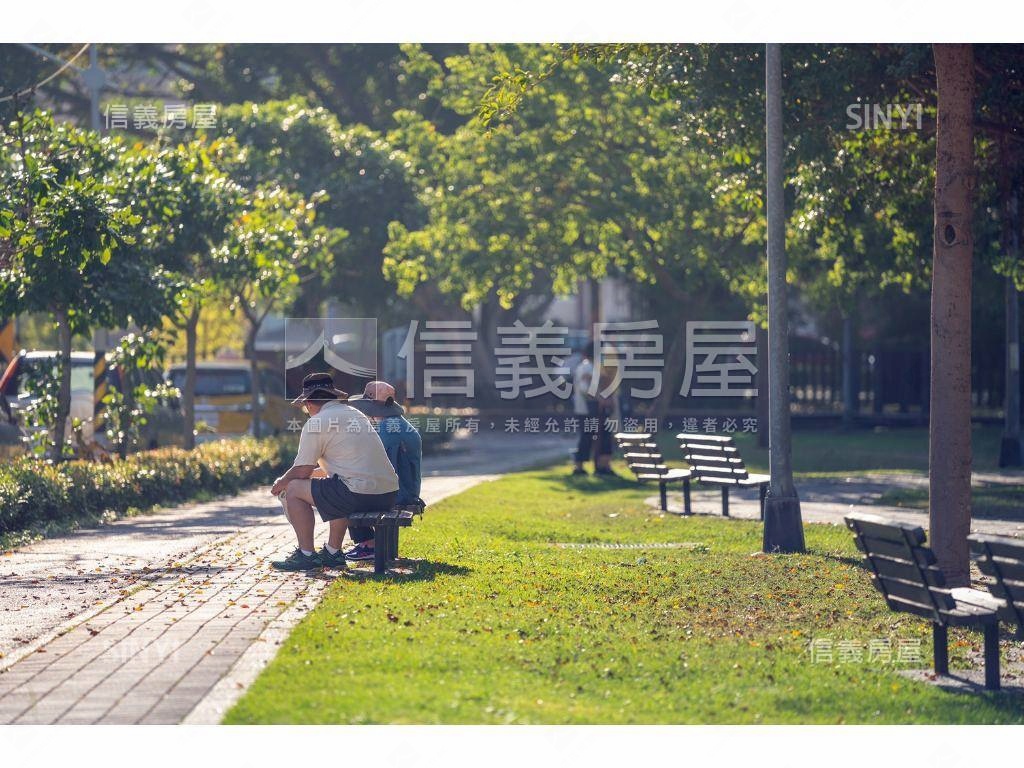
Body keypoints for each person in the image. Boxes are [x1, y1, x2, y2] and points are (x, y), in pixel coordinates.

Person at [269, 372, 399, 571]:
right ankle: (332, 552)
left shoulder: (316, 423)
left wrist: (281, 482)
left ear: (309, 403)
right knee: (334, 485)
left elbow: (302, 471)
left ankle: (306, 555)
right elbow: (343, 467)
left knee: (294, 488)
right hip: (387, 495)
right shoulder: (355, 414)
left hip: (358, 495)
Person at [344, 380, 422, 562]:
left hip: (398, 494)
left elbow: (375, 466)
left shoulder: (388, 429)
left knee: (346, 494)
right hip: (406, 491)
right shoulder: (397, 423)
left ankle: (368, 544)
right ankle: (367, 543)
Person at [571, 342, 597, 475]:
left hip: (583, 407)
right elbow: (585, 388)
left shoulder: (586, 366)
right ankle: (578, 467)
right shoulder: (588, 367)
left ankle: (580, 465)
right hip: (587, 408)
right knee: (586, 437)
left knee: (587, 436)